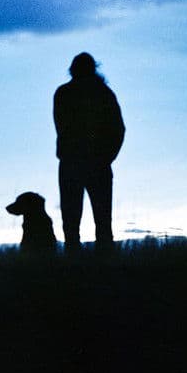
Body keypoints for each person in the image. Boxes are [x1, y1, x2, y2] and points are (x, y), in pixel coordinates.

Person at [53, 52, 125, 253]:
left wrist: (104, 157)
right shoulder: (104, 93)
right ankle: (104, 262)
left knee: (72, 222)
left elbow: (61, 128)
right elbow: (118, 130)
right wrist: (106, 157)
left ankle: (75, 262)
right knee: (101, 222)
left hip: (73, 163)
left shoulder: (64, 93)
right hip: (94, 163)